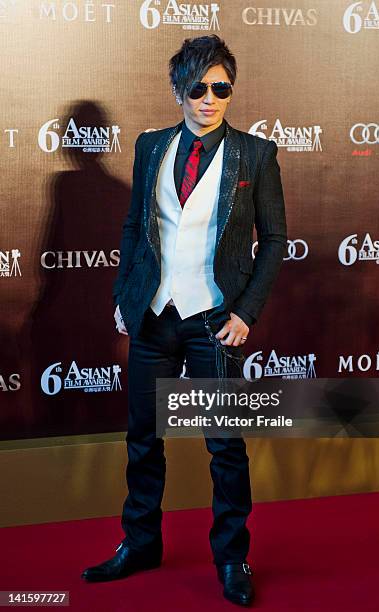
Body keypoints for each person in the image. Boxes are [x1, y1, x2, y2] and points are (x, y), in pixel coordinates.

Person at [81, 34, 287, 607]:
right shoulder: (150, 147)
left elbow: (274, 241)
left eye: (221, 88)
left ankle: (232, 558)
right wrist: (126, 295)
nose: (210, 99)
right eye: (198, 88)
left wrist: (246, 311)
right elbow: (133, 228)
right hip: (153, 317)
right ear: (178, 91)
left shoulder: (256, 155)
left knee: (224, 446)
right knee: (144, 440)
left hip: (214, 321)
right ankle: (140, 542)